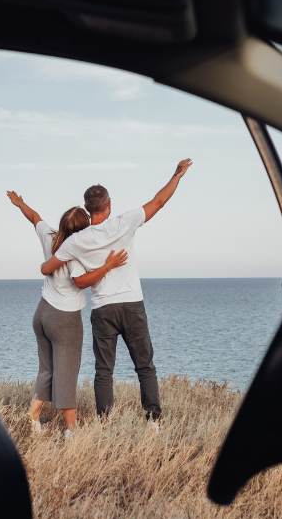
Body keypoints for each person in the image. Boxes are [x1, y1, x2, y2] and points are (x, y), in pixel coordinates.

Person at [39, 159, 193, 424]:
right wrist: (177, 176)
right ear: (109, 205)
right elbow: (159, 202)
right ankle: (153, 421)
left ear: (88, 209)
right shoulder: (125, 221)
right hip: (132, 304)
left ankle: (105, 422)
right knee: (145, 366)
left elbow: (47, 267)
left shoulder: (76, 241)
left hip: (103, 309)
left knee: (104, 371)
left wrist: (63, 250)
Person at [7, 191, 129, 437]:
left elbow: (34, 217)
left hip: (41, 313)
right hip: (64, 320)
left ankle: (32, 417)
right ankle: (71, 430)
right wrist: (108, 266)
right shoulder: (74, 254)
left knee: (47, 369)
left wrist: (20, 203)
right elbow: (82, 282)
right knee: (67, 374)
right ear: (82, 231)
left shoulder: (50, 237)